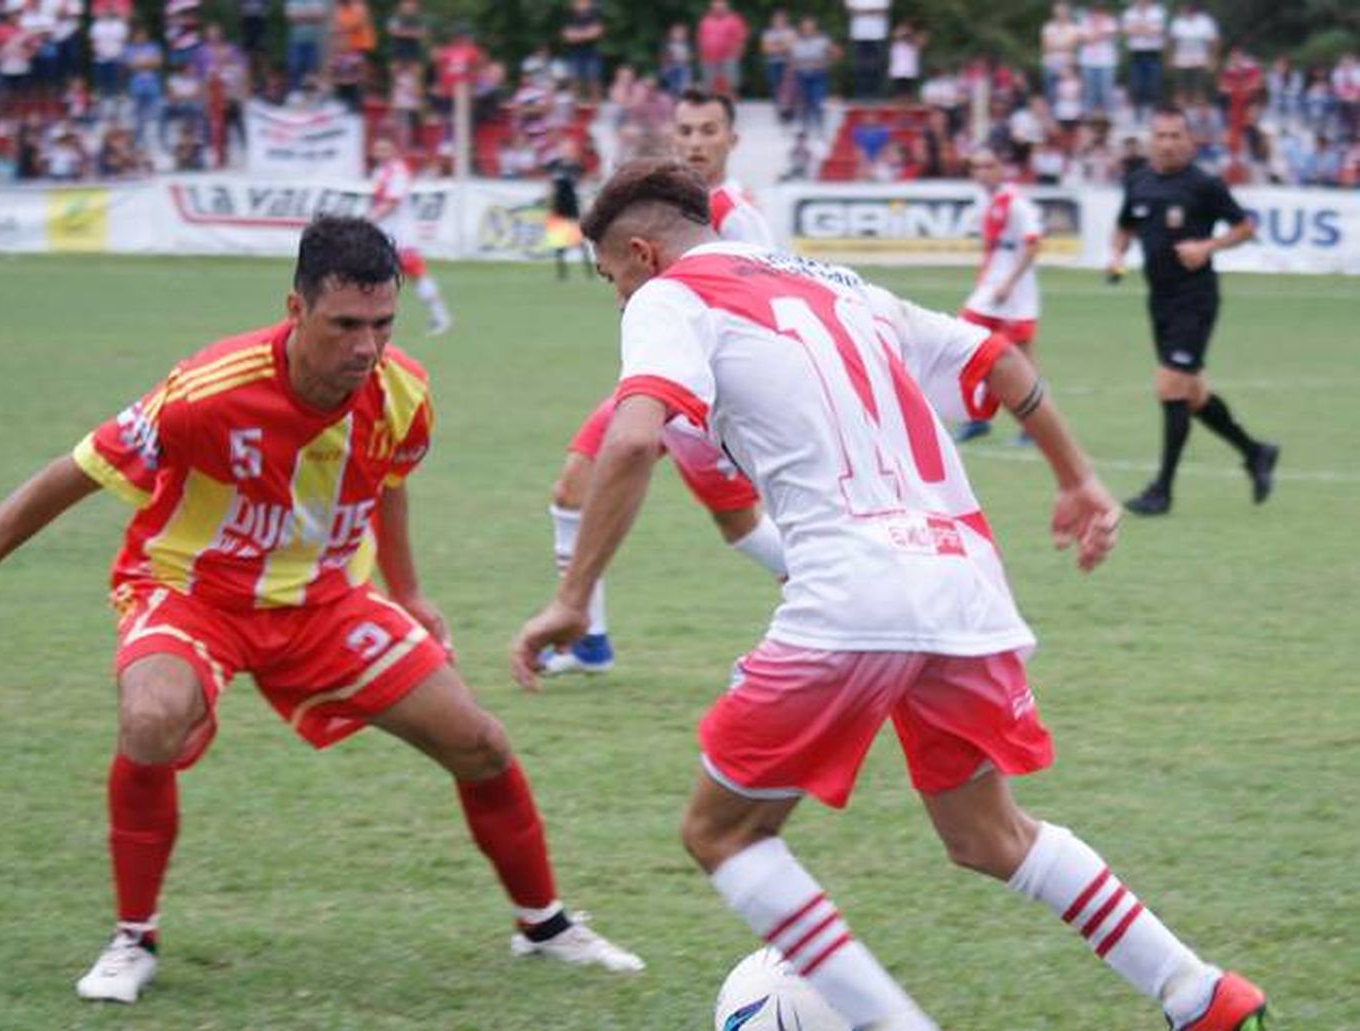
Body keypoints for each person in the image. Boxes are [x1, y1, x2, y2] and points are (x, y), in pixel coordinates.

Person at [511, 158, 1270, 1031]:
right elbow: (999, 360)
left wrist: (573, 597)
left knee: (724, 832)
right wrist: (1079, 480)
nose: (617, 299)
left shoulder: (667, 297)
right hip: (962, 581)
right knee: (989, 834)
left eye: (610, 279)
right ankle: (1200, 993)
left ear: (641, 253)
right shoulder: (840, 285)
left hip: (849, 590)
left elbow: (634, 438)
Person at [0, 217, 643, 1005]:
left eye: (382, 324)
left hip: (322, 601)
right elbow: (73, 472)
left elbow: (388, 481)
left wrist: (409, 590)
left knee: (480, 742)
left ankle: (544, 925)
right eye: (344, 324)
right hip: (192, 591)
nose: (365, 346)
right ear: (295, 307)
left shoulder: (402, 391)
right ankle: (132, 938)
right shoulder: (206, 390)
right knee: (150, 719)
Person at [537, 88, 781, 678]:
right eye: (687, 131)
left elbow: (765, 295)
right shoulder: (674, 209)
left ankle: (831, 596)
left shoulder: (735, 212)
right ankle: (588, 640)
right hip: (661, 380)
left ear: (732, 139)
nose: (696, 142)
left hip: (707, 393)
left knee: (741, 524)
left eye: (708, 131)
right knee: (571, 490)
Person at [1108, 106, 1278, 516]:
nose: (1167, 143)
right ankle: (1256, 452)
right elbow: (1125, 225)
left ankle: (1162, 491)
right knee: (1194, 395)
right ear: (1151, 138)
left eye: (1175, 136)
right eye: (1161, 135)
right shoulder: (1139, 181)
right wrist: (1115, 255)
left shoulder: (1203, 184)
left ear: (1189, 140)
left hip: (1195, 298)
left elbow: (1244, 227)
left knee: (1170, 387)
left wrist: (1206, 247)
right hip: (1160, 300)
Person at [956, 147, 1043, 444]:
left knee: (1023, 358)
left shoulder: (1016, 202)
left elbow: (1033, 244)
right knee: (965, 343)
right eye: (976, 167)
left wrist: (1009, 281)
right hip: (991, 291)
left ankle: (1034, 426)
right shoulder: (986, 200)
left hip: (1015, 293)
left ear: (1000, 168)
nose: (982, 172)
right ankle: (976, 417)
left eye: (988, 165)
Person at [369, 136, 452, 336]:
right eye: (377, 149)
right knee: (376, 278)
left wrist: (368, 220)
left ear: (392, 151)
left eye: (384, 149)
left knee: (416, 275)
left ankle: (441, 317)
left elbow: (391, 203)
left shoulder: (397, 171)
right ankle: (377, 321)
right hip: (384, 235)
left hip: (401, 237)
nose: (380, 153)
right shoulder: (379, 172)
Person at [545, 136, 593, 281]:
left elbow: (583, 182)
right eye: (563, 148)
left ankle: (589, 272)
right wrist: (548, 200)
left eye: (569, 148)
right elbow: (550, 186)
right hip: (558, 208)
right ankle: (562, 273)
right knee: (559, 243)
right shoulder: (554, 165)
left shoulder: (576, 167)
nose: (566, 151)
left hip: (571, 207)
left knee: (579, 242)